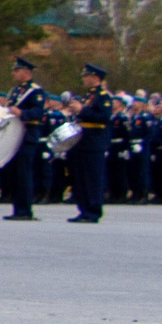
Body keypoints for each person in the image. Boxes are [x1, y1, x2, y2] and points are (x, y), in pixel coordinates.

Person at [1, 55, 47, 220]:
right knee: (14, 175)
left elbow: (38, 113)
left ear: (26, 72)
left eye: (16, 70)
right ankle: (17, 208)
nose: (13, 73)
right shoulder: (14, 91)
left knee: (24, 174)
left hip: (26, 136)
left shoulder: (35, 91)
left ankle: (25, 210)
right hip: (13, 136)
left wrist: (21, 113)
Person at [69, 63, 111, 222]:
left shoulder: (103, 96)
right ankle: (84, 209)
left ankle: (93, 211)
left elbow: (104, 117)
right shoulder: (87, 96)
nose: (84, 79)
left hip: (94, 141)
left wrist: (82, 110)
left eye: (86, 76)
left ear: (95, 77)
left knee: (92, 178)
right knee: (81, 178)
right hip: (82, 141)